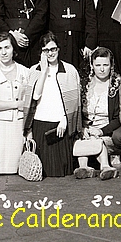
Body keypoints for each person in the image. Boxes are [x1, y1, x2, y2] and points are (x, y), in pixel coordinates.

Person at [25, 32, 82, 177]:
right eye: (46, 50)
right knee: (42, 171)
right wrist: (43, 71)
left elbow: (75, 101)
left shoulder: (69, 70)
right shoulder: (34, 70)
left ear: (58, 49)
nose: (50, 53)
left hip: (61, 125)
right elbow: (35, 96)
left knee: (61, 171)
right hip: (41, 123)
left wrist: (64, 119)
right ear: (41, 52)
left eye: (53, 49)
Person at [0, 33, 34, 174]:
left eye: (7, 47)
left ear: (13, 49)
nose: (4, 52)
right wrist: (17, 104)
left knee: (16, 169)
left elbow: (30, 101)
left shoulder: (25, 72)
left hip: (17, 127)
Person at [75, 47, 121, 179]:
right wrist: (82, 128)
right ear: (92, 65)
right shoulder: (84, 85)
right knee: (85, 138)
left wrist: (101, 131)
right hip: (85, 130)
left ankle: (105, 167)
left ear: (111, 66)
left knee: (97, 139)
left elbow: (118, 118)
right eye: (98, 65)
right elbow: (76, 111)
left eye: (105, 65)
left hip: (105, 131)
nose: (102, 69)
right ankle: (84, 167)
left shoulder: (116, 86)